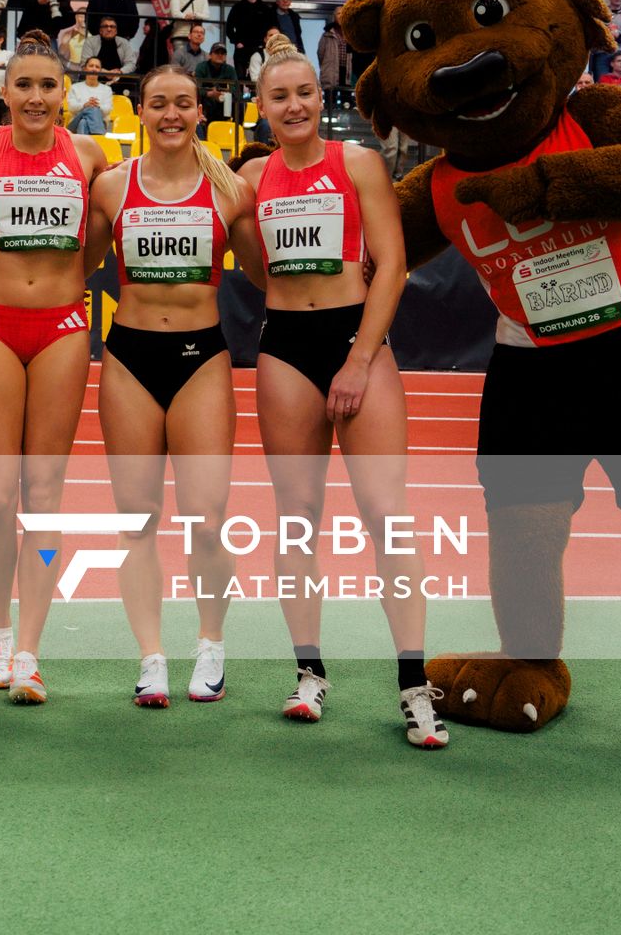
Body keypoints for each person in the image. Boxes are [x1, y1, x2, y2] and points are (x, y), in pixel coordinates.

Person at [228, 38, 442, 747]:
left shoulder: (358, 165)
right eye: (279, 96)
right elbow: (258, 273)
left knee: (387, 513)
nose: (294, 105)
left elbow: (394, 267)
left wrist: (358, 360)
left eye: (305, 94)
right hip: (285, 346)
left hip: (359, 343)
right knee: (297, 517)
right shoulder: (253, 177)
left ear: (323, 100)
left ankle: (415, 684)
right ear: (262, 108)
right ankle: (310, 674)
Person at [0, 31, 111, 703]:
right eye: (25, 85)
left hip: (64, 330)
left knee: (44, 494)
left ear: (64, 92)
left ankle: (31, 650)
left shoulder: (92, 155)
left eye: (49, 85)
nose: (37, 97)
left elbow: (104, 241)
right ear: (5, 91)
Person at [82, 66, 250, 706]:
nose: (172, 113)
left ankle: (211, 642)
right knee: (138, 522)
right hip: (129, 356)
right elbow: (80, 265)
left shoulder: (229, 188)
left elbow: (264, 274)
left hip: (201, 356)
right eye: (159, 104)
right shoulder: (113, 187)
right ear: (141, 111)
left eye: (184, 103)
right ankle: (151, 656)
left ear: (199, 111)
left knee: (207, 521)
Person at [225, 0, 278, 77]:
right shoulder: (237, 7)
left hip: (260, 48)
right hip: (242, 48)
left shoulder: (265, 8)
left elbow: (272, 28)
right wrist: (236, 42)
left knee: (259, 78)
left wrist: (267, 43)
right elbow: (229, 27)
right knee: (239, 80)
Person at [66, 60, 116, 134]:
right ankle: (99, 134)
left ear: (100, 71)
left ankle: (84, 143)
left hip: (99, 123)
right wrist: (85, 105)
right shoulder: (75, 87)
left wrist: (97, 106)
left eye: (97, 67)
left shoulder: (107, 89)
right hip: (74, 125)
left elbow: (108, 109)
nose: (94, 69)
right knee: (92, 109)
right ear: (85, 69)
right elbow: (71, 108)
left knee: (83, 122)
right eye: (91, 66)